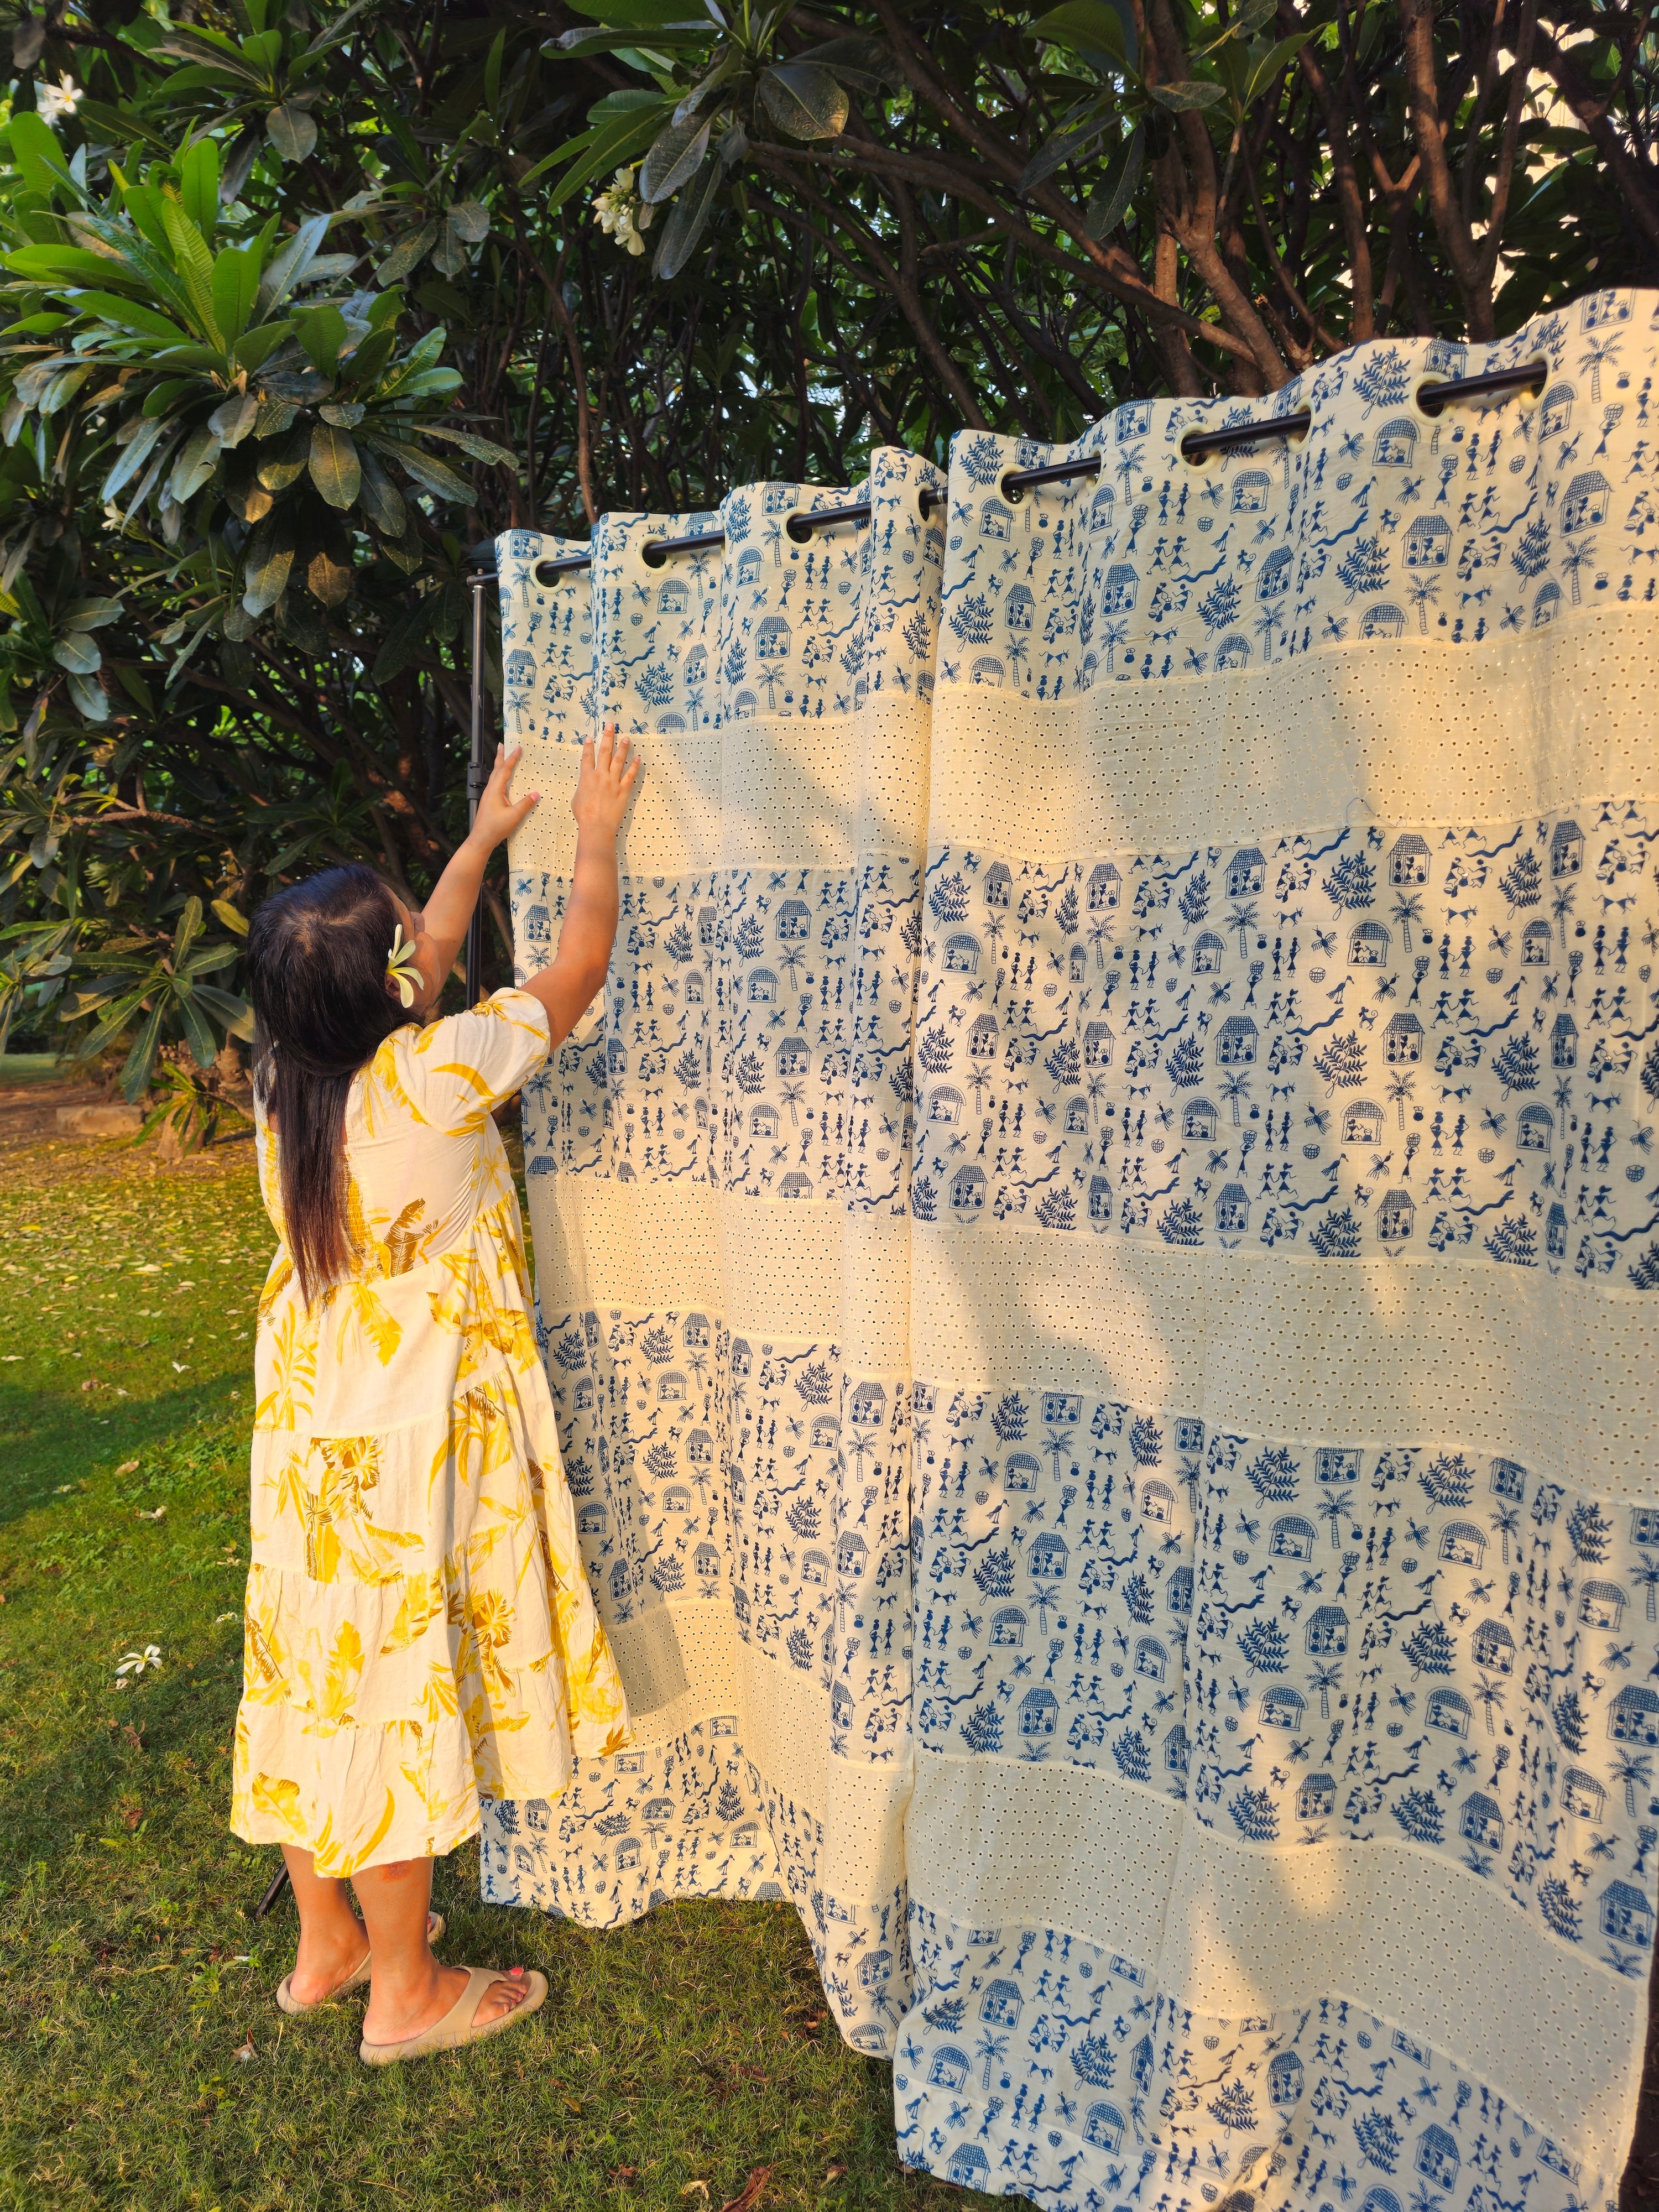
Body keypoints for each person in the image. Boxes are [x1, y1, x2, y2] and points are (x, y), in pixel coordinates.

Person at [233, 726, 639, 2064]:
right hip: (410, 1446)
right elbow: (572, 970)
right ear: (392, 982)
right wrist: (594, 831)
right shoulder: (441, 1075)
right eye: (410, 924)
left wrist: (471, 846)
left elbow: (412, 973)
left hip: (308, 1441)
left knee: (314, 1679)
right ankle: (404, 1990)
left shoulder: (285, 1081)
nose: (429, 929)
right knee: (395, 1699)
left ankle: (327, 1943)